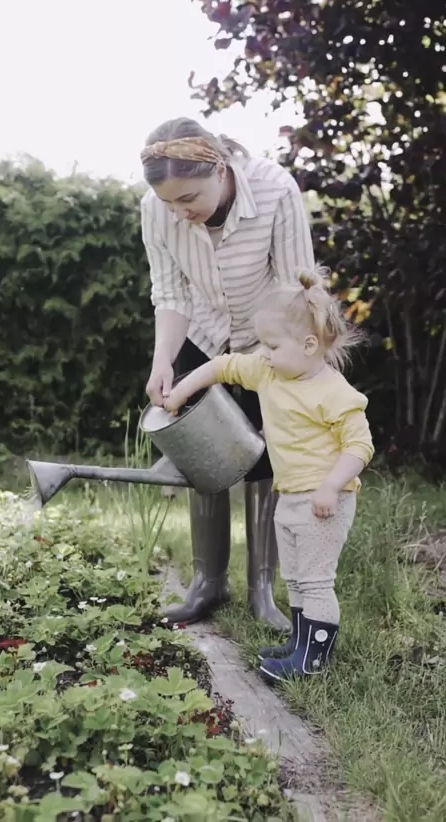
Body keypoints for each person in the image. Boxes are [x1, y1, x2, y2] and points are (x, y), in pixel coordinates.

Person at [140, 116, 315, 631]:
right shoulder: (155, 209)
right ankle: (207, 583)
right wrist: (163, 360)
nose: (180, 212)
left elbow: (297, 288)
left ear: (219, 170)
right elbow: (170, 293)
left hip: (270, 340)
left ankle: (262, 589)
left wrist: (284, 362)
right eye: (170, 203)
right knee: (201, 453)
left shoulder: (275, 190)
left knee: (265, 458)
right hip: (202, 334)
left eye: (189, 198)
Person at [163, 265, 374, 680]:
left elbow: (359, 446)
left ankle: (313, 661)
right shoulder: (269, 370)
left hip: (324, 500)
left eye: (272, 345)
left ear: (309, 345)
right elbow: (222, 366)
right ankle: (300, 643)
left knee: (315, 581)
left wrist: (331, 486)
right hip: (289, 495)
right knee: (294, 578)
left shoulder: (336, 394)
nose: (264, 353)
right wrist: (182, 389)